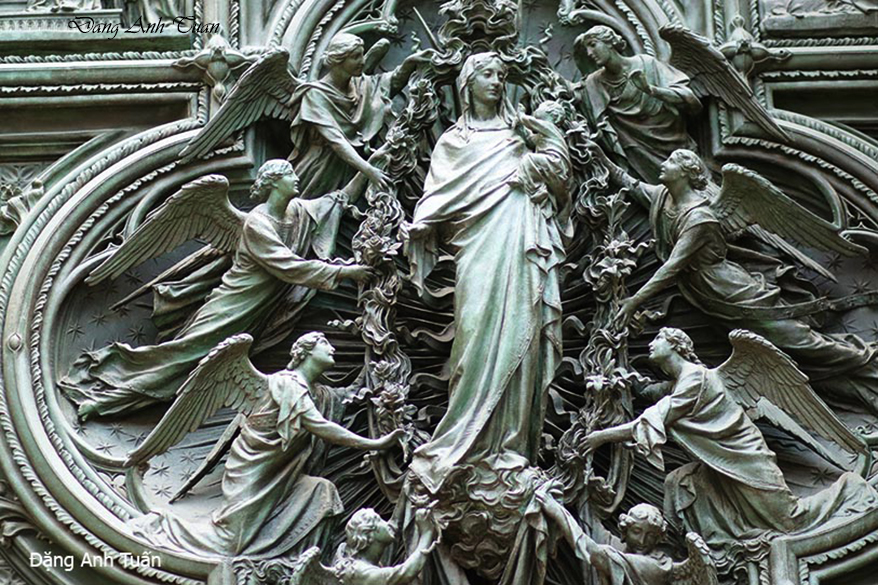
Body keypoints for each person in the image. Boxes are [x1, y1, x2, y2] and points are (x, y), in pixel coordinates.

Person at [60, 160, 374, 419]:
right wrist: (345, 272)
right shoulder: (257, 224)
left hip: (256, 313)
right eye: (289, 174)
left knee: (200, 367)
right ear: (273, 184)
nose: (296, 178)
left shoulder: (299, 213)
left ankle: (114, 400)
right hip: (231, 305)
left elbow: (338, 200)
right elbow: (289, 266)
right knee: (181, 357)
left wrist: (371, 166)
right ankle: (106, 396)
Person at [590, 145, 878, 412]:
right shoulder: (663, 199)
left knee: (800, 342)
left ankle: (868, 358)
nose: (663, 164)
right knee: (779, 356)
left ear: (685, 174)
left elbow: (673, 266)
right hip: (707, 297)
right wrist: (597, 154)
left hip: (732, 291)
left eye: (671, 161)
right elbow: (629, 182)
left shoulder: (699, 218)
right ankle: (853, 390)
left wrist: (634, 301)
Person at [403, 52, 569, 494]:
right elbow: (438, 196)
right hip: (475, 246)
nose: (497, 82)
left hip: (520, 239)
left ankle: (510, 449)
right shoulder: (452, 142)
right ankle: (463, 443)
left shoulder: (521, 134)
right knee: (474, 333)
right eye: (488, 75)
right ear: (467, 84)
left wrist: (547, 158)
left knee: (522, 333)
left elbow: (559, 183)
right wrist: (422, 224)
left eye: (501, 75)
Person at [582, 328, 877, 569]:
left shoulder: (695, 379)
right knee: (680, 483)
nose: (651, 343)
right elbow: (652, 392)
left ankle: (850, 489)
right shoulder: (680, 383)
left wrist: (600, 437)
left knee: (789, 519)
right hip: (721, 465)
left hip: (747, 459)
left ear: (676, 345)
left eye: (658, 338)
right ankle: (700, 554)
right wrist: (623, 379)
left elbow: (653, 418)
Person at [132, 333, 404, 562]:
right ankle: (163, 525)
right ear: (305, 352)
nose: (332, 348)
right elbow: (320, 426)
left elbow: (346, 397)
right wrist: (375, 443)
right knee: (231, 542)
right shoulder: (287, 383)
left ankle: (297, 564)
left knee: (322, 493)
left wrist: (376, 363)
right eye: (324, 343)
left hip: (283, 476)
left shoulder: (318, 394)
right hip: (254, 470)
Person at [289, 32, 431, 196]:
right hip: (321, 170)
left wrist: (410, 62)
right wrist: (369, 171)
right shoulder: (314, 94)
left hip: (356, 168)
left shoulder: (362, 85)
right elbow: (335, 140)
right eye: (356, 57)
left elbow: (391, 82)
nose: (363, 61)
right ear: (338, 59)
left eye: (362, 55)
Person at [575, 25, 701, 182]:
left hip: (674, 144)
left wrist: (651, 90)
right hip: (635, 154)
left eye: (593, 45)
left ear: (610, 42)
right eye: (586, 49)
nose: (589, 53)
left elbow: (688, 98)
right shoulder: (593, 83)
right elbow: (574, 97)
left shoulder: (647, 64)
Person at [538, 491, 674, 584]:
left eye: (651, 536)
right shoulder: (614, 544)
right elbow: (590, 523)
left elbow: (595, 553)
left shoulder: (658, 566)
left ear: (658, 539)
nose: (641, 540)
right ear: (625, 531)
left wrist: (558, 513)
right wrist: (584, 484)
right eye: (636, 531)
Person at [333, 508, 437, 585]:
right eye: (379, 520)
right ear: (370, 534)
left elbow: (395, 524)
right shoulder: (358, 572)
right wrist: (427, 532)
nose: (387, 523)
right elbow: (405, 573)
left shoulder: (368, 564)